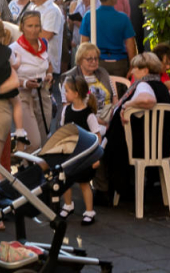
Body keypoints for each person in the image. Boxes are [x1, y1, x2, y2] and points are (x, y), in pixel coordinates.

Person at [102, 52, 170, 200]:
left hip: (138, 147)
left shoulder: (144, 85)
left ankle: (105, 190)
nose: (132, 71)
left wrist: (128, 103)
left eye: (135, 68)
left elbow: (148, 100)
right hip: (160, 146)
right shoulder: (161, 86)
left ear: (145, 70)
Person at [57, 72, 103, 224]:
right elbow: (63, 130)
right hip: (70, 153)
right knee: (65, 181)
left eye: (67, 91)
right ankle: (68, 205)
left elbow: (97, 136)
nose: (65, 94)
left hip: (84, 156)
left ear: (76, 94)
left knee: (84, 183)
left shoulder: (89, 115)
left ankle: (89, 211)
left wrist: (95, 156)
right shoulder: (66, 110)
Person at [9, 9, 52, 148]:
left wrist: (49, 75)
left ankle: (38, 167)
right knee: (33, 140)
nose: (34, 30)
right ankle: (27, 166)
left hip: (43, 94)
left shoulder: (44, 44)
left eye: (37, 26)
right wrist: (25, 83)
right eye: (30, 26)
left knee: (45, 136)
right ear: (22, 27)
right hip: (23, 96)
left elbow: (48, 64)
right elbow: (9, 76)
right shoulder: (13, 49)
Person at [77, 0, 137, 76]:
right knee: (118, 90)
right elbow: (131, 45)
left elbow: (83, 44)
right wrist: (133, 66)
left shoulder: (89, 16)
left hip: (96, 62)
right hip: (119, 63)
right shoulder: (123, 18)